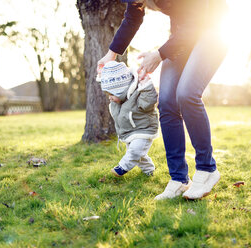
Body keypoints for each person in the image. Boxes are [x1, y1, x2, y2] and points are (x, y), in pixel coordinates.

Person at [97, 0, 228, 200]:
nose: (135, 2)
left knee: (186, 93)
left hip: (211, 31)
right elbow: (132, 18)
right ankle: (179, 179)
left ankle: (207, 168)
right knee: (166, 101)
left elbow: (196, 22)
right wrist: (110, 55)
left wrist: (158, 54)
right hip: (181, 37)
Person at [99, 61, 159, 177]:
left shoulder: (138, 94)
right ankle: (149, 170)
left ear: (121, 90)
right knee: (139, 155)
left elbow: (149, 101)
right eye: (108, 94)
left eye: (112, 94)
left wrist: (146, 86)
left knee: (135, 151)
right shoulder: (117, 101)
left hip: (144, 130)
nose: (109, 98)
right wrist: (103, 75)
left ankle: (121, 168)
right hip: (130, 132)